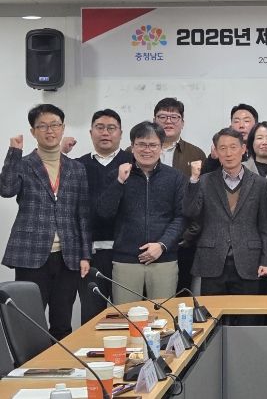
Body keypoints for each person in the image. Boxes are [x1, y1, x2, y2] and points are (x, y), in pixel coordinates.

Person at [0, 104, 90, 339]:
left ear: (63, 128)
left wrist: (85, 255)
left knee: (62, 323)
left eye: (55, 125)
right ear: (33, 132)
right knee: (30, 323)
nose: (50, 131)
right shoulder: (23, 163)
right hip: (31, 256)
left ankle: (60, 362)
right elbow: (6, 189)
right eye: (43, 126)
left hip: (68, 257)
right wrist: (13, 152)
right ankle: (32, 363)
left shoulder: (76, 169)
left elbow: (82, 214)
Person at [183, 128, 267, 324]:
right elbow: (190, 212)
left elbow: (265, 226)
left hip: (248, 260)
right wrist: (193, 180)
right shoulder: (204, 181)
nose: (228, 153)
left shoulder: (260, 183)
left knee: (247, 319)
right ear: (216, 151)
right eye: (222, 148)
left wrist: (266, 261)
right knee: (212, 320)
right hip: (213, 259)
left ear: (243, 149)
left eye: (233, 147)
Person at [97, 121, 186, 304]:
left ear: (161, 147)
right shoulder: (117, 174)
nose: (147, 150)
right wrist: (119, 182)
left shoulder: (175, 177)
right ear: (132, 146)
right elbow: (104, 213)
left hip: (163, 259)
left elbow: (181, 217)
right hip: (126, 260)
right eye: (141, 144)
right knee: (126, 316)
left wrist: (162, 245)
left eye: (153, 145)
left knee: (163, 315)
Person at [76, 109, 132, 323]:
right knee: (92, 318)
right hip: (91, 255)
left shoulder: (133, 162)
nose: (105, 133)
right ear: (91, 132)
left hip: (127, 254)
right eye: (100, 127)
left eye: (111, 128)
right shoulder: (77, 165)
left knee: (128, 316)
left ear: (120, 133)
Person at [152, 97, 206, 295]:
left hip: (183, 241)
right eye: (163, 117)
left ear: (182, 122)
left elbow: (202, 199)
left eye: (174, 117)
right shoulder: (138, 151)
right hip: (146, 239)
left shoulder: (195, 154)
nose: (168, 121)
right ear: (154, 120)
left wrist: (189, 234)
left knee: (180, 298)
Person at [203, 103, 258, 173]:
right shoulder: (222, 149)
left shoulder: (263, 149)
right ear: (231, 126)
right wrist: (213, 159)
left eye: (246, 121)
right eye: (236, 121)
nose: (241, 125)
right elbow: (205, 177)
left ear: (256, 125)